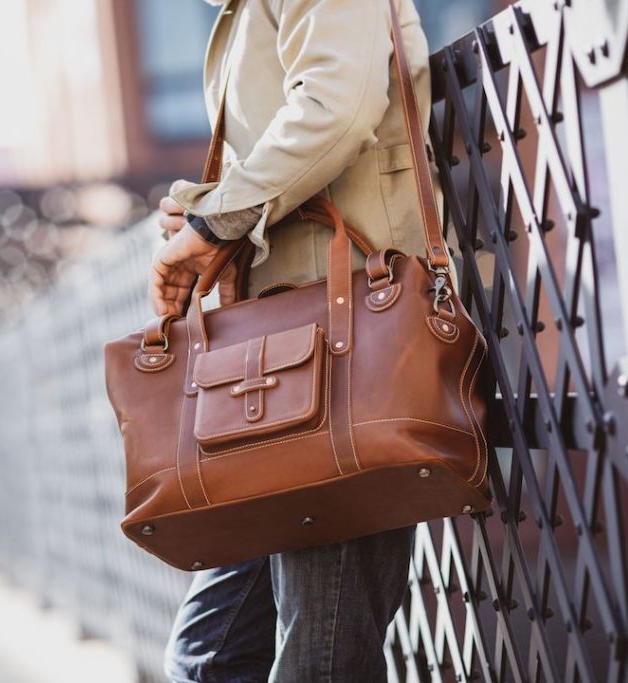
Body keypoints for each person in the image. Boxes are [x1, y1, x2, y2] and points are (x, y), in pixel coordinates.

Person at [149, 0, 438, 680]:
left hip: (346, 356)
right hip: (284, 361)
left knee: (318, 660)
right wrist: (207, 208)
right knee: (208, 656)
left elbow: (337, 104)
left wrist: (218, 219)